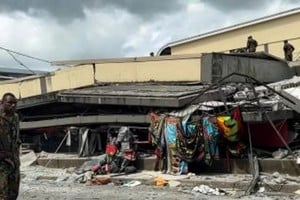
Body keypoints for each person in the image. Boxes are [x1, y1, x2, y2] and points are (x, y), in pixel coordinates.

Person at [0, 92, 21, 200]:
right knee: (3, 195)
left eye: (15, 103)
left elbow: (16, 138)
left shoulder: (16, 118)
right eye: (9, 103)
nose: (13, 105)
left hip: (14, 163)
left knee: (13, 194)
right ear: (2, 103)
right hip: (1, 165)